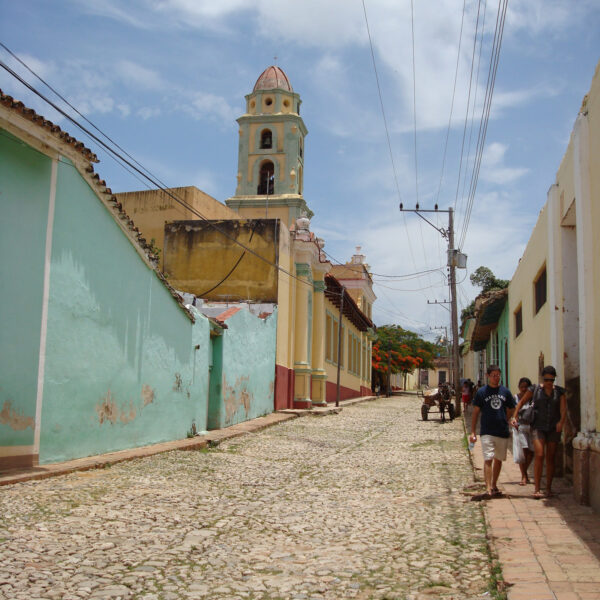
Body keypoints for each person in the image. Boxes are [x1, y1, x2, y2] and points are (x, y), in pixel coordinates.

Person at [512, 366, 566, 499]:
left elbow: (563, 409)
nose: (549, 382)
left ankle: (548, 488)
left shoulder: (559, 392)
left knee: (551, 457)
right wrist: (514, 416)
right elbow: (521, 402)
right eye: (546, 379)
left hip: (553, 427)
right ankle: (537, 488)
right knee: (540, 454)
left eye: (551, 380)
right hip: (538, 426)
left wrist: (561, 422)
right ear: (543, 378)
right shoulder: (535, 390)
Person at [469, 365, 516, 499]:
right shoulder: (482, 392)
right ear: (488, 376)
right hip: (487, 431)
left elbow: (511, 407)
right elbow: (476, 412)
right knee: (488, 458)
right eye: (493, 375)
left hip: (501, 430)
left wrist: (507, 419)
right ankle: (488, 487)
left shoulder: (505, 392)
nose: (496, 378)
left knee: (499, 459)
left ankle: (494, 484)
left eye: (498, 375)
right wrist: (473, 431)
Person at [512, 377, 534, 485]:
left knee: (531, 452)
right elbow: (512, 411)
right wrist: (513, 420)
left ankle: (524, 473)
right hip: (520, 428)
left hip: (532, 427)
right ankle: (524, 476)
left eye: (526, 387)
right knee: (523, 453)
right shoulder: (515, 398)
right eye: (522, 387)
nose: (524, 389)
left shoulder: (533, 398)